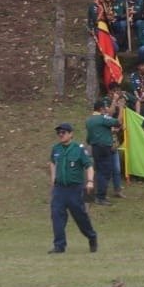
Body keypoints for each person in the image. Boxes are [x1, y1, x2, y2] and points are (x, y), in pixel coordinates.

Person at [48, 123, 98, 254]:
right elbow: (52, 162)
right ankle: (59, 246)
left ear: (71, 134)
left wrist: (90, 182)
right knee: (56, 215)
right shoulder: (56, 149)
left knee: (80, 216)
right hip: (59, 189)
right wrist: (53, 178)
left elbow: (89, 166)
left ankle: (91, 236)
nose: (61, 135)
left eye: (63, 132)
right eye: (59, 133)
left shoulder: (79, 149)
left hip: (74, 189)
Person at [84, 96, 121, 206]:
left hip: (95, 147)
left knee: (99, 171)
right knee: (105, 172)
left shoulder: (89, 120)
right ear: (100, 109)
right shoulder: (103, 118)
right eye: (104, 108)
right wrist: (122, 109)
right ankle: (101, 197)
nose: (106, 110)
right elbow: (118, 123)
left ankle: (97, 194)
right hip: (104, 147)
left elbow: (89, 136)